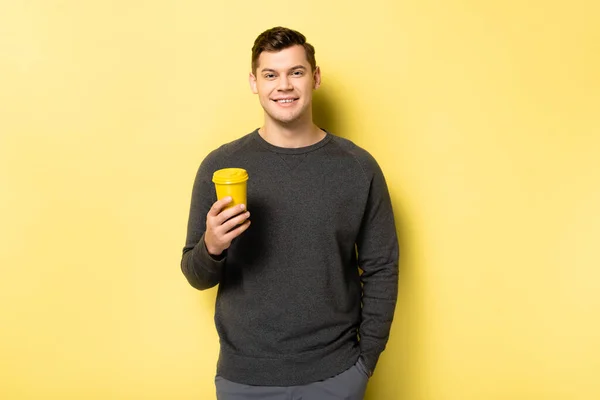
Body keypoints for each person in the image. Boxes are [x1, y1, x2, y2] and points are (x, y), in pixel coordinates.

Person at [181, 26, 399, 400]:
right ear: (254, 82)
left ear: (314, 77)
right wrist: (212, 245)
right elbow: (195, 275)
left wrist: (364, 364)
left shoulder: (358, 168)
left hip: (336, 374)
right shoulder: (221, 167)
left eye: (295, 72)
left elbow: (382, 267)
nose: (284, 85)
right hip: (244, 378)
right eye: (270, 74)